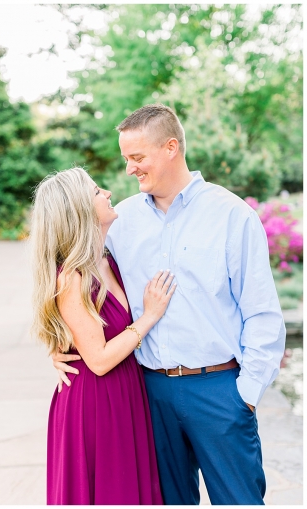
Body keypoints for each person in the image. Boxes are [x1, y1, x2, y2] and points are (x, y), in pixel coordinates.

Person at [52, 104, 286, 505]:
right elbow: (67, 276)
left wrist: (244, 395)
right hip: (148, 396)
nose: (129, 169)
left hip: (218, 390)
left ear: (171, 148)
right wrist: (59, 343)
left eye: (137, 158)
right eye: (126, 159)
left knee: (241, 501)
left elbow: (262, 314)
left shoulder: (232, 216)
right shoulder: (119, 220)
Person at [31, 167, 176, 504]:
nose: (108, 193)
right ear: (79, 209)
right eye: (97, 191)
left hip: (126, 392)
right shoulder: (73, 278)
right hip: (96, 403)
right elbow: (97, 361)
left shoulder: (108, 259)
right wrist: (150, 316)